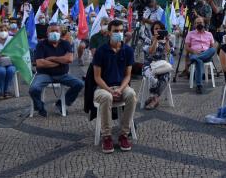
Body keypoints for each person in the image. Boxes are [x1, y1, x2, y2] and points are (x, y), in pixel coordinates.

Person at [91, 19, 136, 153]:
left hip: (121, 86)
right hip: (103, 88)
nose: (119, 33)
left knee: (132, 95)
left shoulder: (127, 50)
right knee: (106, 97)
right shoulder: (101, 51)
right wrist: (109, 90)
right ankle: (107, 136)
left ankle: (124, 134)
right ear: (109, 33)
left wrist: (121, 89)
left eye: (121, 31)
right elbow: (97, 77)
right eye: (116, 31)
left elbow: (128, 75)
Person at [29, 25, 84, 117]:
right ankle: (39, 106)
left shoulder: (65, 43)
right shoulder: (41, 44)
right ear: (47, 33)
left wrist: (51, 58)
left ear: (60, 32)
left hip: (62, 74)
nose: (54, 33)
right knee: (34, 89)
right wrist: (60, 62)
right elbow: (40, 63)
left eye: (56, 31)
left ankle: (61, 103)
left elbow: (69, 59)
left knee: (79, 84)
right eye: (52, 31)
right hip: (44, 74)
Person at [141, 21, 172, 109]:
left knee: (166, 75)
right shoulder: (147, 40)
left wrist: (167, 42)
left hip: (162, 65)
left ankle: (154, 98)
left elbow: (168, 52)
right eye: (156, 29)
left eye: (160, 29)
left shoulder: (165, 40)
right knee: (152, 77)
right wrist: (155, 40)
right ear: (152, 30)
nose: (158, 30)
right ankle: (155, 99)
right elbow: (151, 52)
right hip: (149, 65)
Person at [184, 16, 217, 94]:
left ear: (204, 23)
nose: (199, 24)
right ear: (195, 25)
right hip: (194, 53)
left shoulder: (209, 34)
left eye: (200, 22)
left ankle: (194, 58)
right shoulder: (190, 33)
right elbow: (186, 47)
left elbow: (212, 47)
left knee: (212, 50)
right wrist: (194, 52)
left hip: (206, 55)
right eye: (197, 23)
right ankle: (199, 86)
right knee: (199, 61)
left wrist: (205, 53)